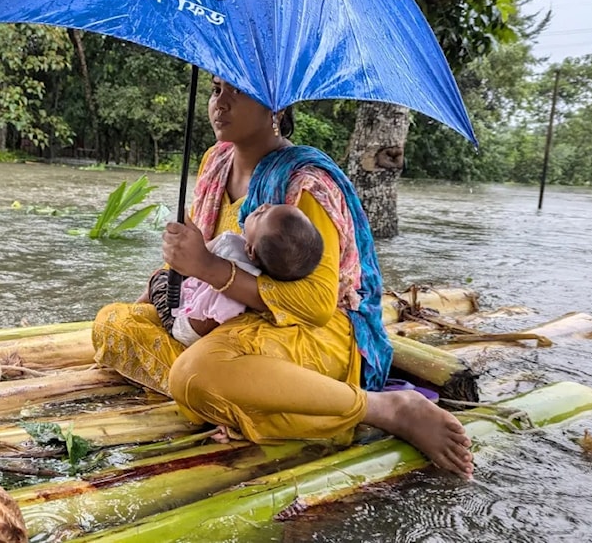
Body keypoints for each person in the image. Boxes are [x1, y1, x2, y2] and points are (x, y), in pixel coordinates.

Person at [92, 76, 474, 479]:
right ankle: (246, 401)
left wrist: (209, 268)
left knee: (195, 375)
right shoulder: (213, 163)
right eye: (216, 90)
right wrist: (164, 286)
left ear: (275, 108)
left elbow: (316, 304)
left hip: (305, 332)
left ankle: (382, 409)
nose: (219, 104)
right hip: (223, 323)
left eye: (237, 92)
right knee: (113, 323)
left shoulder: (305, 184)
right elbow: (191, 265)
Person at [148, 203, 324, 347]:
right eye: (271, 206)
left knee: (159, 277)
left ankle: (135, 310)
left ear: (250, 250)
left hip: (182, 327)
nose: (264, 205)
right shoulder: (261, 279)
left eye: (261, 215)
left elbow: (186, 266)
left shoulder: (230, 244)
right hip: (197, 331)